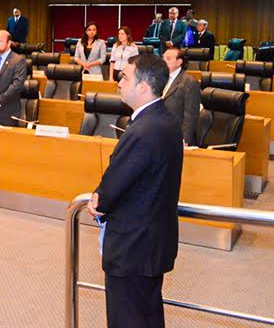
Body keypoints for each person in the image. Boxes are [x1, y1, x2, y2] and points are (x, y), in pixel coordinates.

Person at [87, 54, 183, 328]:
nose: (119, 81)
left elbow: (113, 187)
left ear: (143, 87)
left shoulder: (143, 131)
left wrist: (99, 199)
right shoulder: (165, 120)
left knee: (127, 318)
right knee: (147, 315)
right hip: (152, 244)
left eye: (125, 76)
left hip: (133, 247)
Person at [162, 47, 202, 145]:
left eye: (168, 59)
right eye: (163, 58)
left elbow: (191, 115)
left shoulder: (189, 82)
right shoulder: (160, 78)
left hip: (177, 135)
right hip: (160, 132)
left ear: (179, 62)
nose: (163, 61)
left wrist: (185, 140)